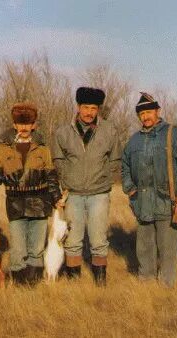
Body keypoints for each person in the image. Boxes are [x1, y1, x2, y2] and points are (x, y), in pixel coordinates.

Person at [0, 103, 62, 286]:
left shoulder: (43, 149)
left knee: (36, 249)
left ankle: (32, 286)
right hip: (15, 204)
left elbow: (51, 177)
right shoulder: (1, 150)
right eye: (21, 123)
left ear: (34, 125)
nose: (25, 127)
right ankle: (19, 287)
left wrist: (57, 199)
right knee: (18, 250)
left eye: (29, 123)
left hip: (40, 204)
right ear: (14, 124)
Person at [51, 87, 121, 286]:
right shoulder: (63, 132)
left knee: (98, 240)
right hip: (72, 194)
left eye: (93, 108)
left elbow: (115, 159)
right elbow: (58, 159)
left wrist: (104, 179)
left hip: (99, 194)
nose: (89, 112)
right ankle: (74, 285)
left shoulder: (109, 130)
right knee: (72, 240)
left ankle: (100, 285)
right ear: (78, 107)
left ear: (98, 109)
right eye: (85, 107)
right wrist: (67, 180)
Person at [122, 92, 177, 287]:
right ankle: (146, 283)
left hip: (167, 200)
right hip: (142, 202)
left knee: (167, 247)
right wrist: (130, 190)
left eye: (149, 112)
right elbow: (124, 166)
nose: (146, 116)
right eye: (142, 114)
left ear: (158, 111)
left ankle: (166, 285)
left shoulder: (173, 134)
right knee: (144, 247)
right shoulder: (134, 141)